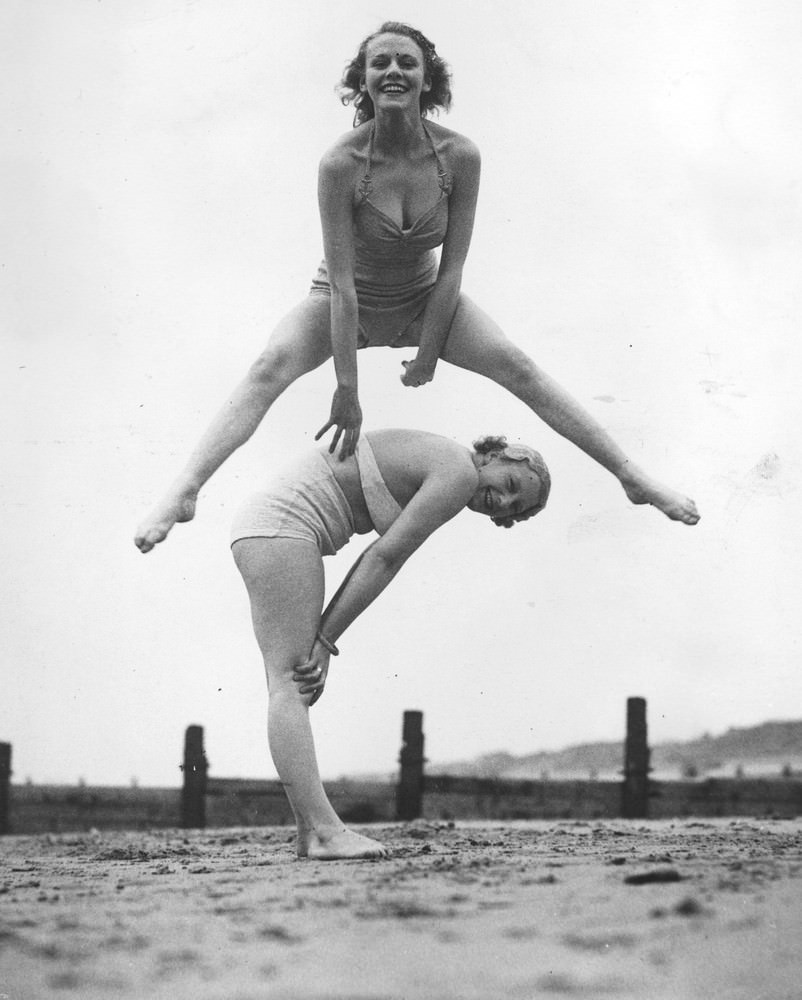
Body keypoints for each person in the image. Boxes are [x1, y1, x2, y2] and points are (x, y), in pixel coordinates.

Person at [134, 20, 698, 556]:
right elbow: (345, 281)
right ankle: (184, 489)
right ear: (364, 80)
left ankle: (633, 477)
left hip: (425, 298)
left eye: (407, 61)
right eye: (380, 63)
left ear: (429, 78)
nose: (394, 71)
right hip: (343, 299)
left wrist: (428, 352)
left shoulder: (460, 156)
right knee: (267, 368)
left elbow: (453, 269)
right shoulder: (341, 163)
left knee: (518, 366)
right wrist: (347, 391)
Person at [230, 428, 550, 859]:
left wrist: (324, 636)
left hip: (270, 525)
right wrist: (325, 639)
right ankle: (325, 831)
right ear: (494, 455)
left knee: (288, 682)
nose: (504, 503)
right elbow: (385, 556)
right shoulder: (458, 471)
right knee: (292, 681)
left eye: (514, 510)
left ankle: (311, 832)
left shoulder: (451, 466)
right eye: (510, 485)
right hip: (282, 525)